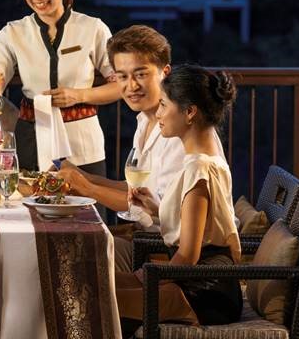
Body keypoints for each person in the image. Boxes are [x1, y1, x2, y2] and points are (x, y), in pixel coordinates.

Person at [91, 65, 243, 336]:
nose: (158, 114)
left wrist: (143, 276)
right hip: (194, 280)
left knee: (93, 299)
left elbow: (188, 255)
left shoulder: (198, 169)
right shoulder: (202, 163)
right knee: (94, 282)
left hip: (204, 293)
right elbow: (200, 226)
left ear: (190, 112)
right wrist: (158, 209)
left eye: (163, 105)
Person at [58, 25, 225, 270]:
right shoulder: (146, 119)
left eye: (141, 74)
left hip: (161, 251)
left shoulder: (180, 132)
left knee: (70, 259)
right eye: (122, 76)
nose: (131, 86)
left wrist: (88, 188)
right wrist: (82, 176)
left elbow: (163, 214)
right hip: (147, 241)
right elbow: (138, 192)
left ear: (165, 73)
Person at [0, 0, 122, 175]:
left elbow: (121, 85)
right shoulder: (13, 32)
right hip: (31, 141)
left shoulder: (93, 29)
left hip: (82, 144)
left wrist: (79, 95)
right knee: (31, 208)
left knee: (87, 209)